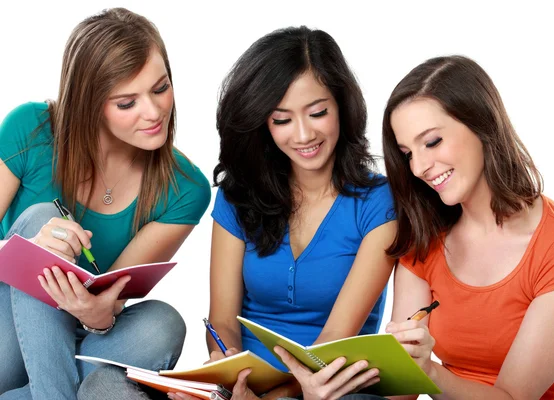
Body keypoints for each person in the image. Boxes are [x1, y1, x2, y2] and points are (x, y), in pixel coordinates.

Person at [81, 26, 397, 400]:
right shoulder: (238, 197)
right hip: (240, 388)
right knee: (103, 386)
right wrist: (222, 370)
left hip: (327, 389)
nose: (302, 135)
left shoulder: (379, 202)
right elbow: (222, 322)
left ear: (342, 106)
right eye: (281, 120)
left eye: (317, 113)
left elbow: (331, 347)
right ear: (263, 122)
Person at [0, 7, 211, 400]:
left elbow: (110, 295)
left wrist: (98, 317)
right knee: (42, 219)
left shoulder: (185, 188)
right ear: (89, 103)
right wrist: (23, 251)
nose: (154, 112)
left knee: (162, 323)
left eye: (160, 88)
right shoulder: (28, 129)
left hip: (82, 339)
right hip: (5, 335)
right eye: (127, 102)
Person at [382, 55, 554, 399]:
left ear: (482, 125)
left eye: (433, 142)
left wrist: (429, 372)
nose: (420, 167)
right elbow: (400, 393)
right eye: (407, 153)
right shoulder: (426, 237)